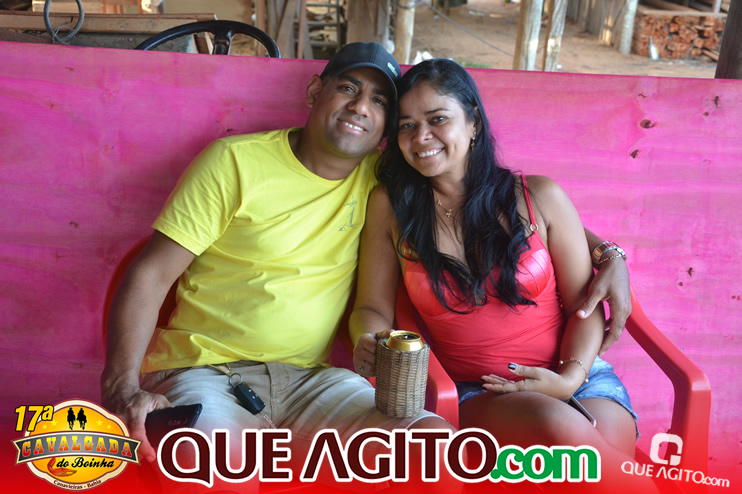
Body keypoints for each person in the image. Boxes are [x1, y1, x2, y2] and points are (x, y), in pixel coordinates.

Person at [101, 43, 629, 483]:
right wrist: (122, 386)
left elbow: (525, 212)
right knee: (211, 466)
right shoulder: (239, 163)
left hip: (311, 380)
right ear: (315, 92)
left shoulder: (386, 180)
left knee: (434, 446)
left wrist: (609, 253)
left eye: (379, 101)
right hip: (207, 372)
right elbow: (149, 274)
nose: (361, 108)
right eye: (348, 88)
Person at [350, 59, 641, 486]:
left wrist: (567, 380)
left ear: (474, 123)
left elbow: (584, 305)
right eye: (406, 125)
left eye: (437, 119)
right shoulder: (392, 208)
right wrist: (368, 336)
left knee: (596, 461)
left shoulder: (538, 197)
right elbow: (371, 306)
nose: (420, 136)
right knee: (564, 434)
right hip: (482, 391)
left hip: (579, 375)